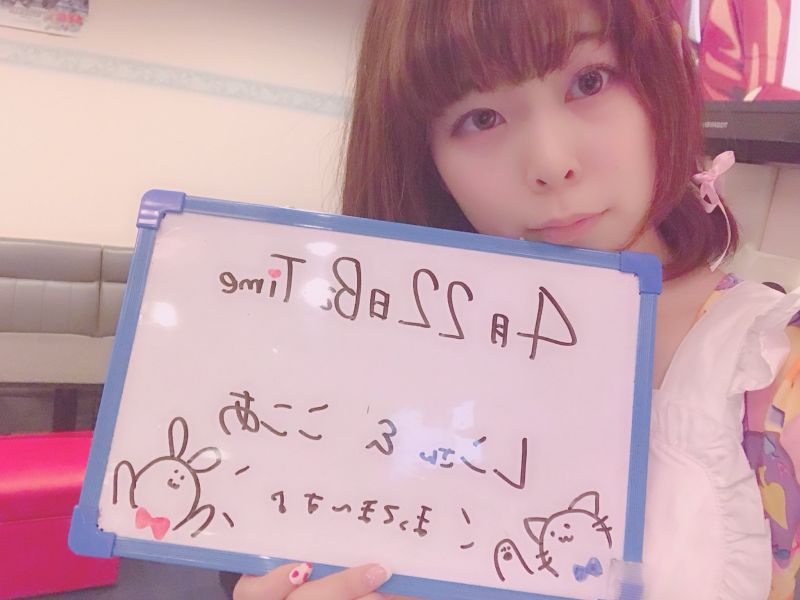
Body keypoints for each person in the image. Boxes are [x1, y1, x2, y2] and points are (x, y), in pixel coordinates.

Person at [229, 1, 800, 598]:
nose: (551, 164)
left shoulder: (769, 375)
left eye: (590, 81)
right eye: (480, 118)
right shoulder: (365, 376)